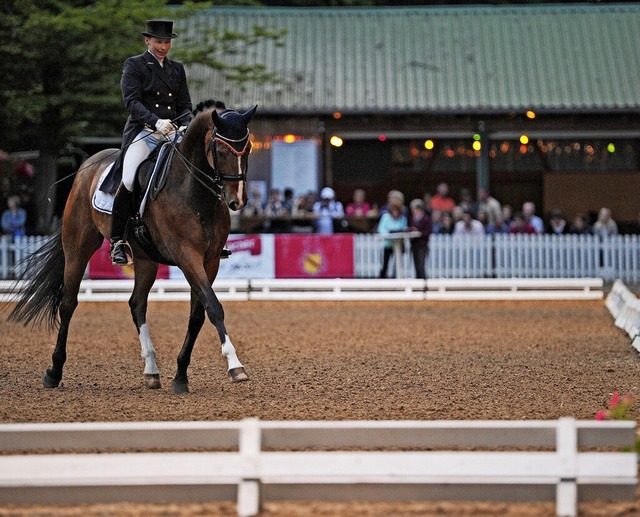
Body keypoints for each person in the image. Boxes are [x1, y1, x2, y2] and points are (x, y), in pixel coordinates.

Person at [104, 19, 193, 265]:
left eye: (166, 42)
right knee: (130, 177)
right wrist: (156, 122)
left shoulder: (177, 69)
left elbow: (185, 104)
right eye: (158, 41)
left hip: (173, 131)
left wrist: (185, 122)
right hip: (144, 131)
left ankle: (209, 235)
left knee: (199, 166)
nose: (163, 46)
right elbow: (131, 102)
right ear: (147, 40)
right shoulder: (134, 65)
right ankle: (118, 241)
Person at [377, 202, 408, 278]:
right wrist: (389, 234)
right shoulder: (386, 217)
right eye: (394, 211)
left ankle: (396, 277)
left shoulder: (403, 219)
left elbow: (404, 229)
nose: (395, 213)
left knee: (398, 263)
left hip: (398, 244)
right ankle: (382, 278)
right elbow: (381, 229)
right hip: (388, 244)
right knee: (385, 263)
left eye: (397, 211)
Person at [408, 199, 432, 279]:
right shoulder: (412, 219)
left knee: (421, 265)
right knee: (416, 265)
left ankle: (423, 283)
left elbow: (428, 231)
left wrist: (419, 233)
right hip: (414, 245)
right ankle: (418, 282)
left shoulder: (426, 218)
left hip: (422, 245)